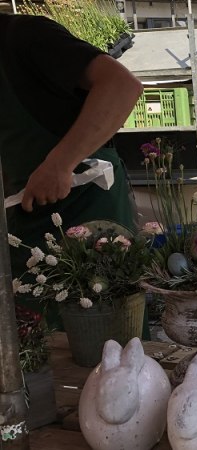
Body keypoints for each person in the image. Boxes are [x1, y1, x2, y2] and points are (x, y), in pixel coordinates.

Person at [0, 14, 143, 324]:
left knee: (106, 339)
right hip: (25, 225)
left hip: (87, 207)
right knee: (36, 345)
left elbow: (121, 86)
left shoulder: (25, 36)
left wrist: (59, 163)